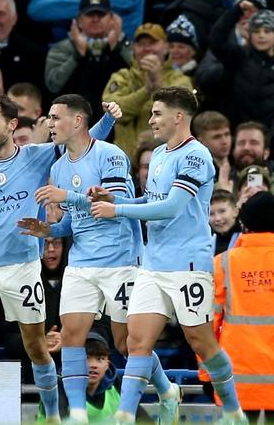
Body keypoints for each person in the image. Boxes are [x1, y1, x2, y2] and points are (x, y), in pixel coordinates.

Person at [0, 95, 116, 425]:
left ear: (12, 125)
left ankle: (53, 415)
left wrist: (109, 120)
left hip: (23, 268)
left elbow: (81, 141)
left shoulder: (37, 157)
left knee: (37, 347)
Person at [88, 87, 245, 423]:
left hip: (188, 264)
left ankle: (233, 411)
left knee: (200, 342)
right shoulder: (159, 154)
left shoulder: (196, 156)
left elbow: (172, 207)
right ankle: (127, 416)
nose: (151, 119)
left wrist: (116, 213)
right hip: (153, 263)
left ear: (178, 116)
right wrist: (117, 202)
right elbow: (149, 201)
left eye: (157, 113)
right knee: (136, 341)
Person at [19, 95, 180, 424]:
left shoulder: (110, 155)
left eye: (54, 117)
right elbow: (74, 221)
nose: (48, 124)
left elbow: (116, 206)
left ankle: (167, 390)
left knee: (127, 343)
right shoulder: (59, 166)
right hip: (80, 264)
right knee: (71, 335)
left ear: (77, 121)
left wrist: (69, 196)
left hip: (120, 261)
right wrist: (49, 228)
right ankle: (77, 413)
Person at [212, 191, 274, 415]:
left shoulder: (222, 264)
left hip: (235, 381)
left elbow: (205, 327)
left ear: (243, 222)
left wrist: (207, 374)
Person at [103, 24, 194, 155]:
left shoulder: (180, 80)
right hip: (124, 162)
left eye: (152, 43)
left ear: (166, 47)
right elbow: (111, 111)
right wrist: (146, 91)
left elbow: (182, 114)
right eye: (141, 44)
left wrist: (158, 86)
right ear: (134, 48)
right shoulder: (122, 76)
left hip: (167, 158)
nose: (146, 48)